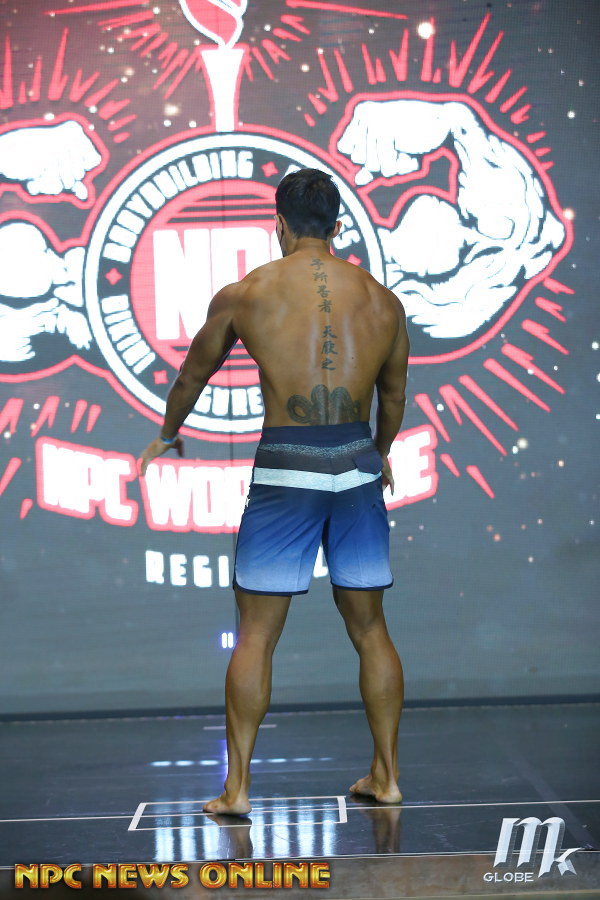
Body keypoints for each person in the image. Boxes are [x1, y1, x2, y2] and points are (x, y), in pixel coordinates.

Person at [140, 168, 410, 816]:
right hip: (355, 461)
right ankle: (388, 776)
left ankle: (236, 790)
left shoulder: (248, 292)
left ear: (280, 225)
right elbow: (395, 395)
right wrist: (379, 453)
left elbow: (192, 375)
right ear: (338, 226)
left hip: (289, 463)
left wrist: (167, 434)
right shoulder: (383, 301)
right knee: (371, 627)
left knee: (256, 634)